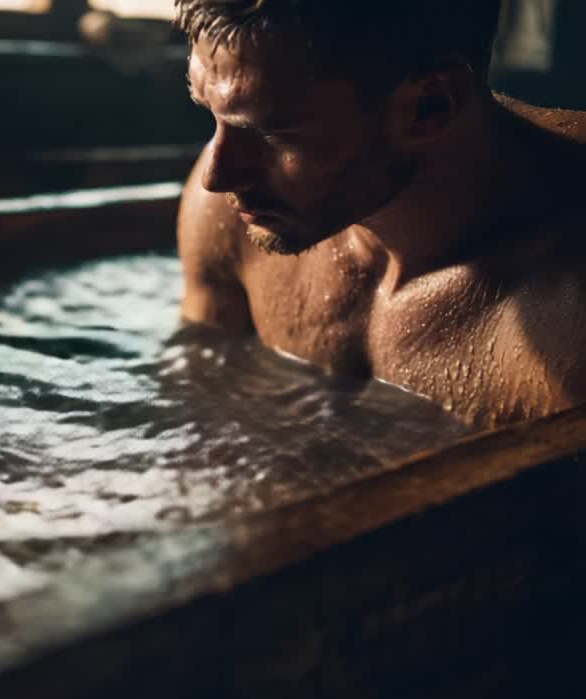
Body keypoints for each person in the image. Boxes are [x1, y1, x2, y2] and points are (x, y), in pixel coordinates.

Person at [174, 0, 586, 427]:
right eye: (212, 113)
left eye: (272, 133)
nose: (216, 177)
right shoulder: (228, 214)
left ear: (429, 107)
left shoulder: (568, 311)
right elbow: (206, 420)